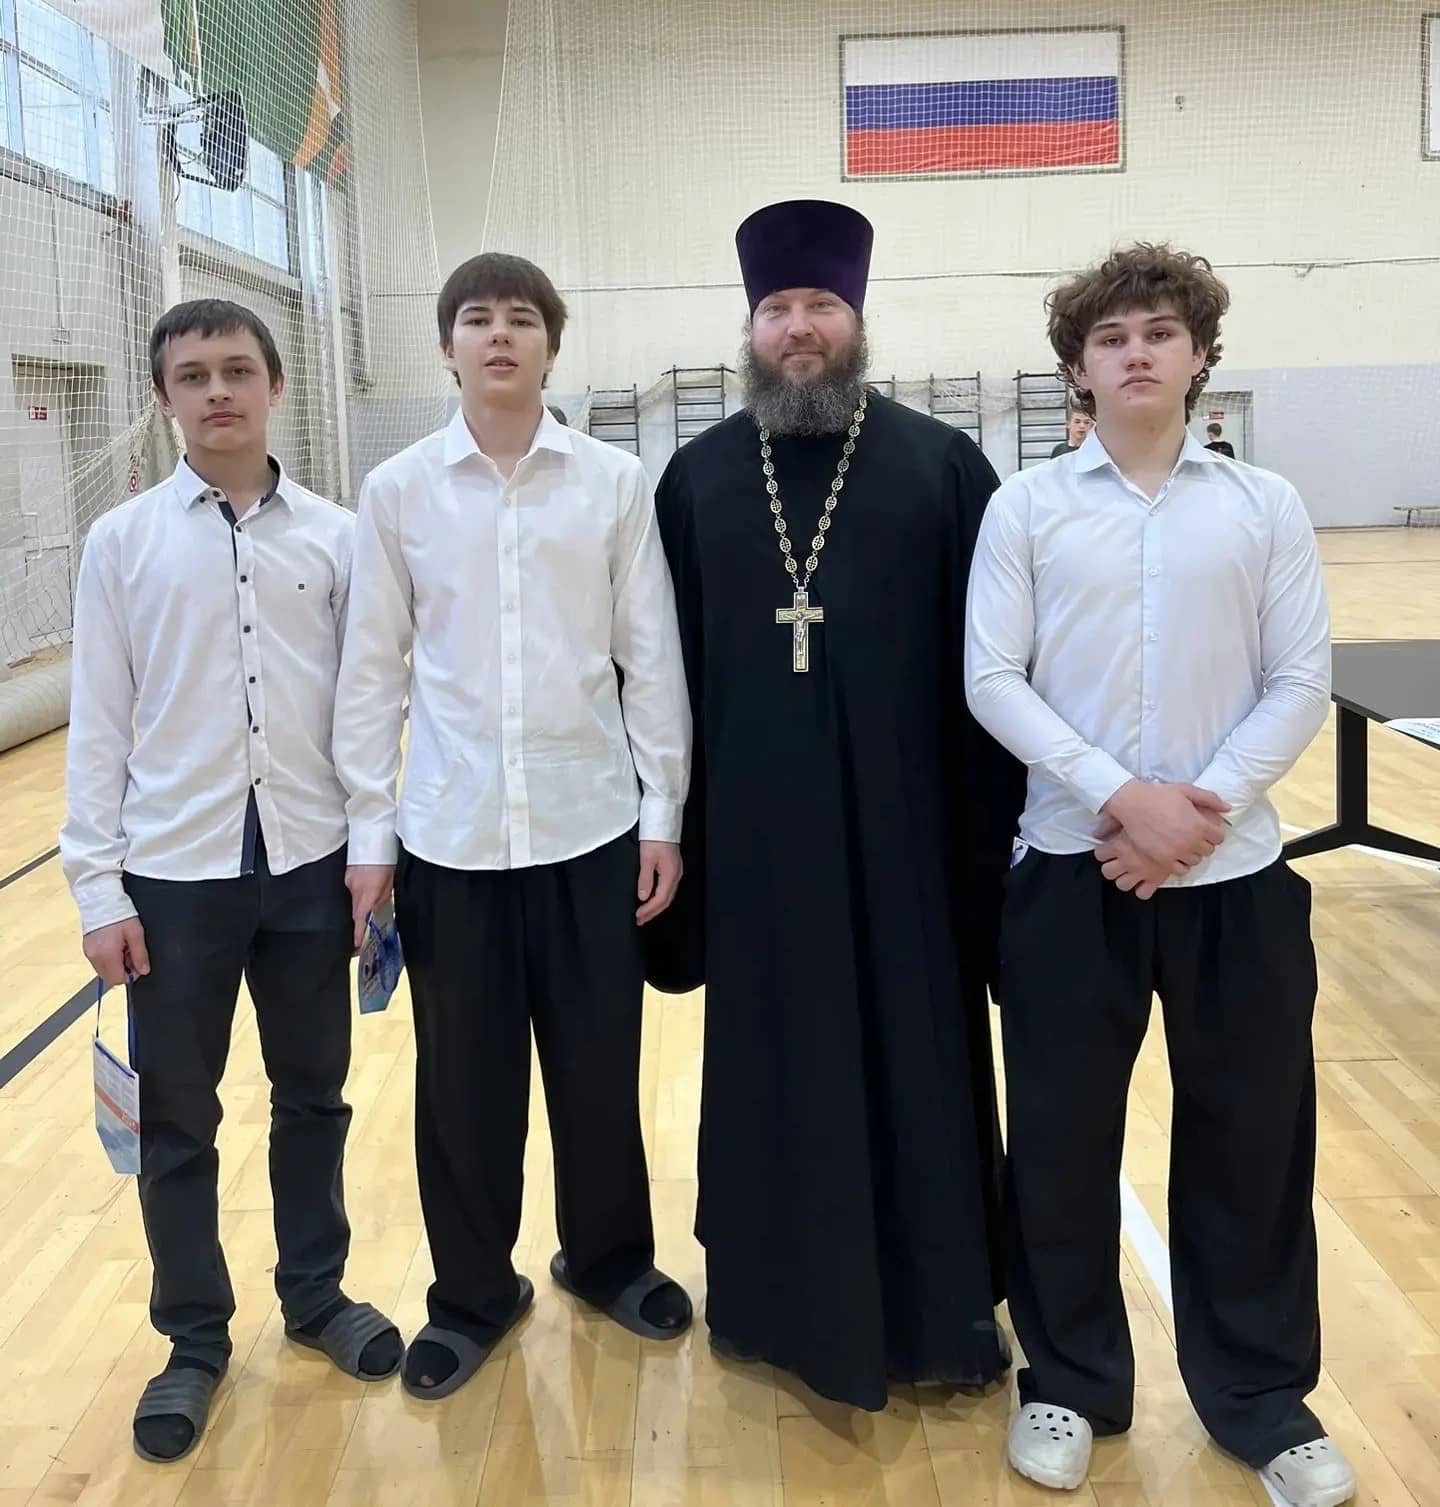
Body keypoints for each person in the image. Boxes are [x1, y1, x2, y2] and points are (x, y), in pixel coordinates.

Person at [965, 244, 1355, 1506]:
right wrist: (1118, 797)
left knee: (1253, 1142)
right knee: (1061, 1143)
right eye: (1112, 336)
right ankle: (1071, 1381)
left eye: (1160, 332)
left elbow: (1298, 678)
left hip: (1233, 876)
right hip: (1068, 869)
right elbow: (992, 677)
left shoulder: (1265, 506)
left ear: (1198, 358)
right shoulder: (1027, 508)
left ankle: (1262, 1397)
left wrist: (1194, 813)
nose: (1137, 351)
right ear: (1077, 369)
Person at [644, 199, 1026, 1411]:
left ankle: (935, 1302)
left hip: (910, 843)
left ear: (857, 319)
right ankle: (772, 1300)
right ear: (749, 326)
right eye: (777, 307)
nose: (798, 327)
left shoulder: (943, 468)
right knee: (775, 1062)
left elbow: (996, 675)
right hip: (756, 848)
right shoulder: (698, 478)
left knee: (919, 1054)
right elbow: (658, 676)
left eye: (820, 304)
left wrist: (989, 856)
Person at [335, 253, 694, 1399]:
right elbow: (370, 671)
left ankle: (609, 1259)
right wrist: (371, 838)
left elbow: (650, 654)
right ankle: (472, 1294)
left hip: (592, 827)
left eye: (522, 318)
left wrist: (662, 813)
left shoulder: (613, 483)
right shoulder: (396, 491)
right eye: (478, 318)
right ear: (447, 348)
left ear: (551, 344)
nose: (500, 334)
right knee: (463, 1086)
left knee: (599, 1069)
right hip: (451, 839)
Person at [60, 299, 401, 1464]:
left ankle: (316, 1296)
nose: (219, 391)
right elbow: (99, 724)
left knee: (313, 1096)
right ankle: (194, 1339)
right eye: (195, 375)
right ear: (164, 397)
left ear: (275, 386)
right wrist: (97, 889)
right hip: (173, 880)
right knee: (176, 1117)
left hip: (311, 865)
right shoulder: (121, 545)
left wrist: (373, 845)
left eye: (239, 370)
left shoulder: (340, 538)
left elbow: (369, 705)